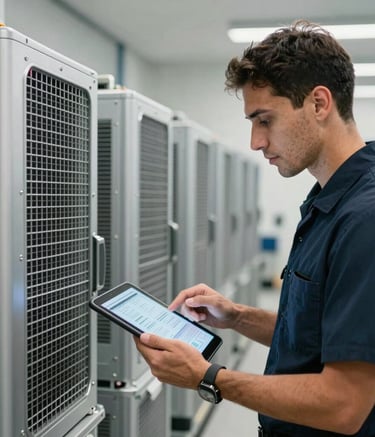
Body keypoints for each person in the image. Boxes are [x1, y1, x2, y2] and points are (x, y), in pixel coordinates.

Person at [135, 20, 375, 436]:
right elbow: (315, 337)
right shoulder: (327, 200)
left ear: (319, 104)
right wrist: (237, 316)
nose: (255, 141)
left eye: (264, 119)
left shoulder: (364, 219)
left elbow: (344, 405)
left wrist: (208, 377)